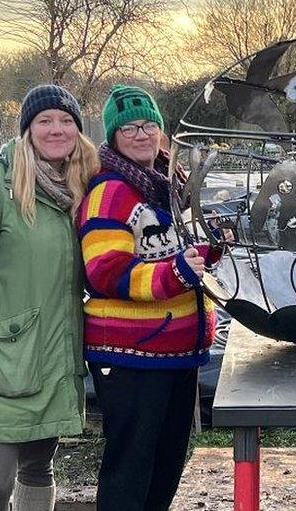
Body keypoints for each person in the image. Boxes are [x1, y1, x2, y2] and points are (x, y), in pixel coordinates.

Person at [0, 84, 99, 510]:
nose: (57, 129)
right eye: (45, 120)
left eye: (66, 120)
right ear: (27, 130)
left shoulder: (76, 188)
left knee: (38, 469)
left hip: (53, 355)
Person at [77, 84, 216, 511]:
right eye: (130, 127)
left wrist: (219, 244)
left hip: (177, 350)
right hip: (130, 351)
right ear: (113, 135)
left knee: (167, 460)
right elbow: (106, 271)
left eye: (150, 124)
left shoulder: (171, 184)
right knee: (131, 464)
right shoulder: (110, 191)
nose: (142, 134)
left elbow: (189, 248)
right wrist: (176, 273)